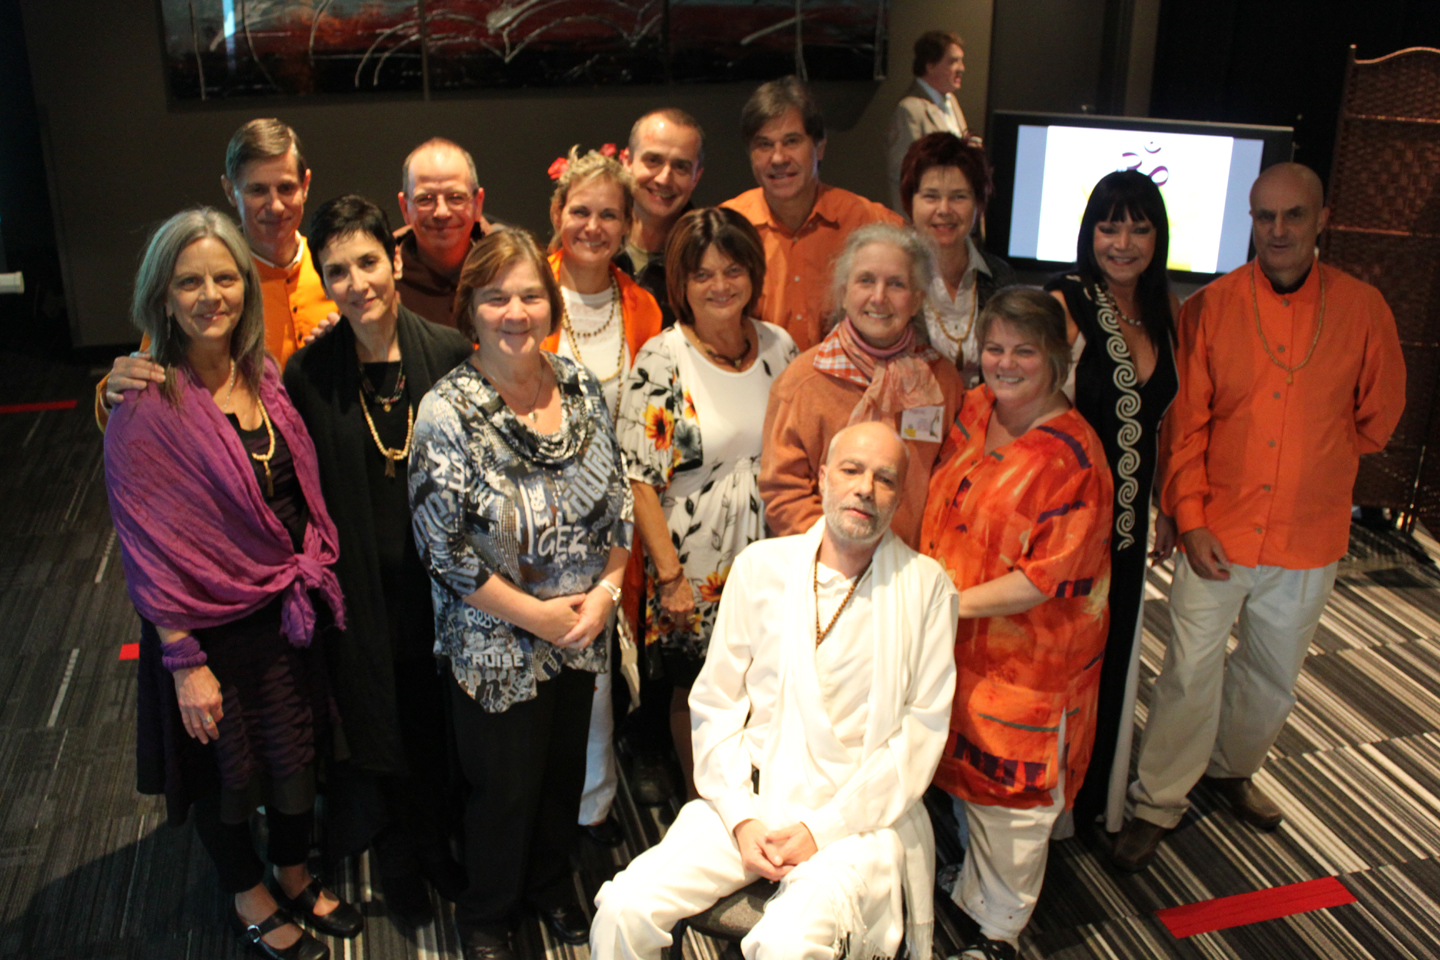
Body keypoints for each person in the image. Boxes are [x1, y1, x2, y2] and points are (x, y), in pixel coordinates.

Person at [1112, 162, 1407, 872]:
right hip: (1218, 530)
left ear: (1321, 219)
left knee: (1273, 673)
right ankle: (1157, 800)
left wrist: (1320, 464)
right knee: (1189, 670)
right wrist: (1191, 516)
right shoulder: (1208, 307)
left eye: (1293, 216)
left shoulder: (1364, 308)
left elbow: (1379, 419)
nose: (1277, 231)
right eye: (1264, 216)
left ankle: (1230, 769)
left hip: (1310, 535)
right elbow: (1184, 429)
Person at [591, 421, 960, 960]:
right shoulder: (761, 568)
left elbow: (918, 742)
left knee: (787, 944)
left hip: (854, 821)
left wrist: (820, 828)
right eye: (852, 470)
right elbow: (714, 704)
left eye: (884, 479)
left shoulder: (927, 590)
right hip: (753, 799)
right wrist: (741, 816)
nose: (865, 488)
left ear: (899, 497)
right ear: (823, 476)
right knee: (624, 909)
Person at [103, 208, 359, 960]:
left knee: (293, 758)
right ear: (163, 294)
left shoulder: (262, 375)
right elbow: (147, 550)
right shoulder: (144, 407)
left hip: (283, 615)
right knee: (225, 775)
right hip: (207, 633)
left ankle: (292, 869)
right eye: (189, 281)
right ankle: (249, 894)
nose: (211, 294)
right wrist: (184, 662)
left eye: (224, 277)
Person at [408, 228, 633, 960]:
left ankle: (547, 884)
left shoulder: (578, 385)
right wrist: (534, 613)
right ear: (469, 307)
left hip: (577, 625)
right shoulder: (448, 411)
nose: (516, 311)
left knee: (562, 771)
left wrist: (607, 591)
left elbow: (619, 503)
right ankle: (488, 913)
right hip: (495, 635)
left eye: (531, 294)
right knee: (502, 789)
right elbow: (441, 548)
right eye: (496, 296)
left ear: (552, 302)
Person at [283, 195, 474, 925]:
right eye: (337, 271)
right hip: (361, 586)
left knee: (434, 714)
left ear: (393, 259)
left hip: (440, 581)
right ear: (323, 281)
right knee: (377, 713)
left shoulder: (448, 352)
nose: (357, 282)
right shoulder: (310, 374)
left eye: (368, 261)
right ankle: (397, 846)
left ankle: (434, 841)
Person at [922, 287, 1114, 960]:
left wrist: (943, 603)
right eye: (994, 348)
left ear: (1058, 359)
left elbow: (1042, 579)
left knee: (1012, 807)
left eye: (1024, 351)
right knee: (966, 788)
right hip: (958, 647)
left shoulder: (1076, 459)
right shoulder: (976, 408)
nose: (1004, 364)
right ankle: (976, 889)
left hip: (1032, 663)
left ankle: (999, 931)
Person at [616, 206, 798, 801]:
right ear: (681, 285)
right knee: (700, 692)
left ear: (753, 273)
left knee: (771, 684)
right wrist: (668, 578)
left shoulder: (780, 346)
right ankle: (709, 814)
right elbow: (640, 479)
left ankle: (764, 802)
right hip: (695, 565)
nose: (720, 285)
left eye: (733, 269)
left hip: (774, 551)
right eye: (702, 275)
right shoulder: (662, 359)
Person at [1043, 170, 1180, 835]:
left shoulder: (1159, 310)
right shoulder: (1066, 302)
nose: (1123, 241)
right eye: (1109, 225)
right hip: (1069, 529)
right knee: (1063, 662)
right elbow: (1027, 413)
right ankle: (1049, 811)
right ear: (1089, 233)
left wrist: (1166, 506)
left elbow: (1160, 424)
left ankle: (1096, 797)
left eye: (1139, 226)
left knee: (1117, 659)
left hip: (1129, 527)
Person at [541, 145, 664, 842]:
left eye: (608, 215)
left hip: (617, 520)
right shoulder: (526, 289)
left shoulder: (642, 307)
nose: (592, 226)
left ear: (627, 227)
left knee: (604, 672)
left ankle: (593, 806)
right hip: (540, 519)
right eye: (579, 211)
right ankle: (548, 805)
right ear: (557, 215)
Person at [96, 119, 337, 423]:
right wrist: (112, 394)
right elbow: (146, 386)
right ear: (229, 190)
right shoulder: (206, 286)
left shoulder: (339, 272)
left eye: (286, 188)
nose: (275, 206)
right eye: (258, 190)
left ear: (305, 185)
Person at [760, 222, 964, 548]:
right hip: (826, 567)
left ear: (916, 300)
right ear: (843, 293)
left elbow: (953, 484)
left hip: (914, 567)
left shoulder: (941, 382)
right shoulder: (804, 381)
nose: (879, 297)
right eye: (866, 280)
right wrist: (844, 554)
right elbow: (783, 490)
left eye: (896, 284)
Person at [722, 76, 902, 351]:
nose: (778, 158)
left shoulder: (867, 222)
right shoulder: (728, 228)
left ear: (819, 147)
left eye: (791, 141)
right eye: (764, 145)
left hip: (847, 386)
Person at [899, 132, 1016, 385]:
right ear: (910, 203)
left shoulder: (1002, 278)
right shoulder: (892, 277)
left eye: (958, 197)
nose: (944, 210)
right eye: (931, 196)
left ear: (979, 204)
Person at [616, 108, 707, 326]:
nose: (664, 178)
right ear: (627, 162)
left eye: (680, 167)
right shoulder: (594, 243)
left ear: (696, 177)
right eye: (653, 160)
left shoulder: (706, 257)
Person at [394, 137, 495, 327]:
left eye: (455, 197)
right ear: (405, 208)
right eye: (425, 199)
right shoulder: (384, 284)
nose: (441, 212)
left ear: (477, 203)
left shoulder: (505, 271)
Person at [887, 31, 975, 213]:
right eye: (953, 61)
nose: (962, 68)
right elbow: (906, 175)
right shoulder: (910, 110)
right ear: (930, 65)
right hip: (928, 222)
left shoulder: (951, 102)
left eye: (961, 60)